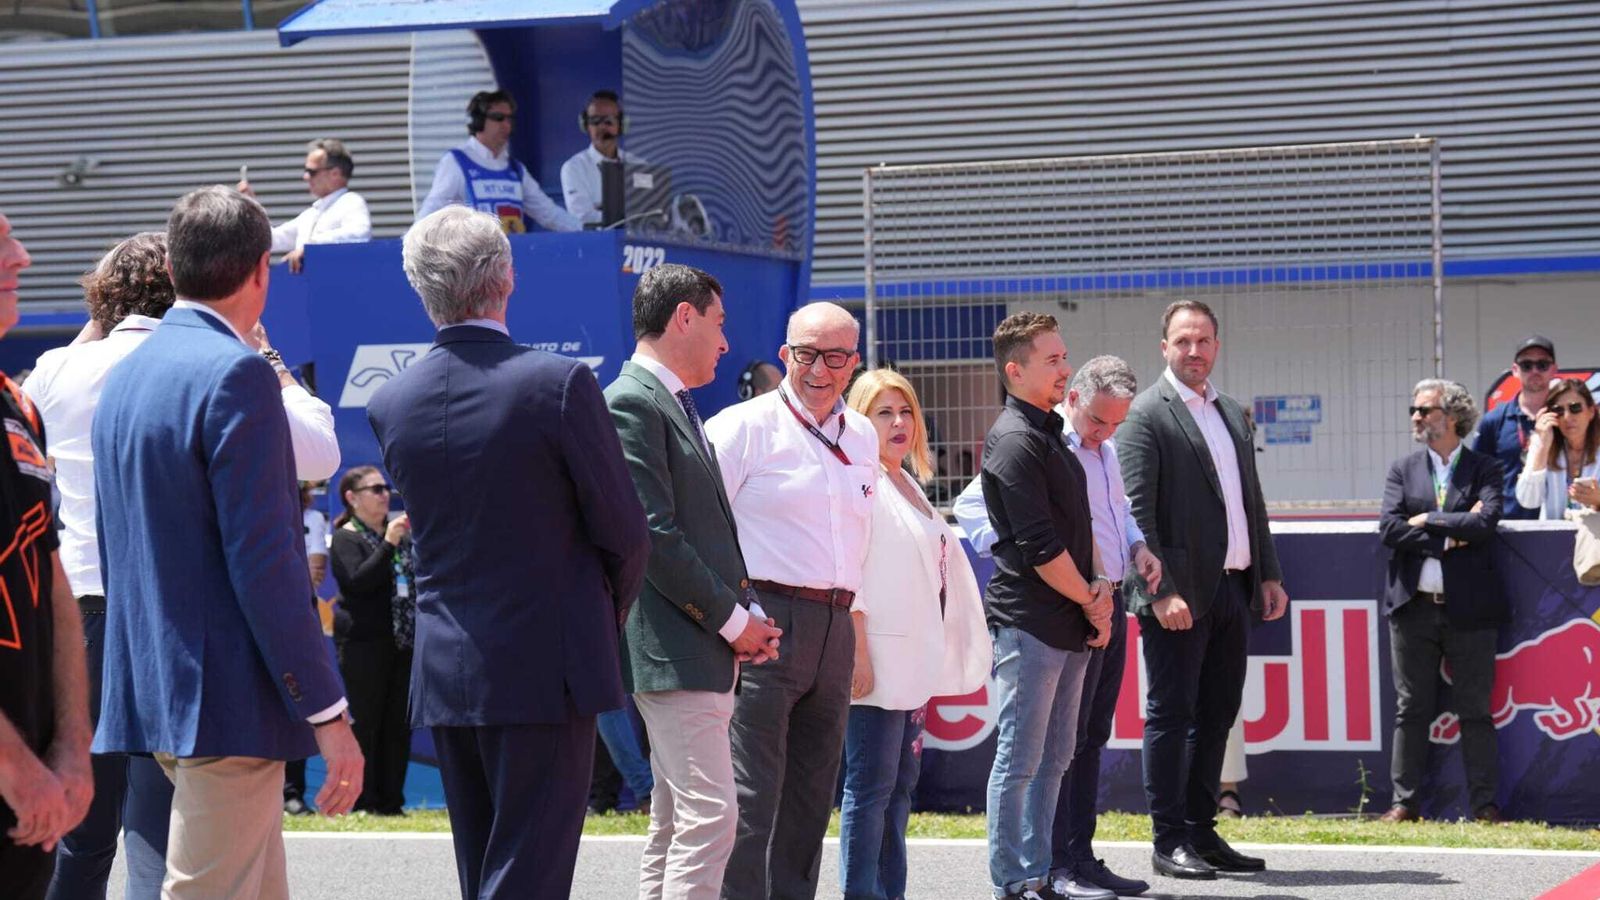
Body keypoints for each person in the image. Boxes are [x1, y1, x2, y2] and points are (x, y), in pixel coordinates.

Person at [366, 205, 649, 899]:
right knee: (529, 873)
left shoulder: (391, 400)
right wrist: (600, 614)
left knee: (486, 869)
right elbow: (625, 531)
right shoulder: (557, 384)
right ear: (507, 278)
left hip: (448, 664)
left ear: (421, 288)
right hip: (546, 663)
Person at [90, 187, 363, 899]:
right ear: (260, 273)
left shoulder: (124, 375)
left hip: (159, 687)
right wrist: (329, 713)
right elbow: (266, 564)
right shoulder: (238, 373)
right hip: (227, 701)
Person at [604, 263, 783, 899]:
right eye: (718, 323)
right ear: (684, 316)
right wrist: (736, 622)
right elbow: (653, 536)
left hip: (690, 645)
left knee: (678, 819)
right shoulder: (632, 400)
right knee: (710, 818)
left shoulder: (670, 402)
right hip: (675, 649)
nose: (726, 342)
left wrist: (748, 610)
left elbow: (705, 531)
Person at [954, 354, 1158, 899]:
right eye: (1098, 420)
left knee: (1082, 741)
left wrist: (1136, 546)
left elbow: (1117, 511)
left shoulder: (1104, 451)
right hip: (1058, 604)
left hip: (1105, 602)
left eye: (1117, 424)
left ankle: (1071, 858)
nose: (1105, 433)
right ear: (1072, 400)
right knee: (1033, 752)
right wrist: (1018, 555)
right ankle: (1043, 869)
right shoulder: (1043, 445)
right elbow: (973, 504)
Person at [705, 301, 878, 900]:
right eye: (806, 354)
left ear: (854, 363)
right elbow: (698, 534)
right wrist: (732, 619)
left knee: (811, 798)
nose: (819, 370)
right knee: (753, 799)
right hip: (763, 624)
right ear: (785, 355)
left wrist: (856, 634)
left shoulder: (862, 435)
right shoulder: (740, 427)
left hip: (835, 625)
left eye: (835, 357)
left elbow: (858, 544)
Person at [1118, 299, 1287, 881]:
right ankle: (1169, 841)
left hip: (1233, 591)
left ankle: (1202, 832)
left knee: (1217, 715)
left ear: (1217, 345)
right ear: (1164, 347)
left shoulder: (1230, 413)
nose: (1194, 351)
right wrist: (1158, 592)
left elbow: (1250, 503)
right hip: (1178, 596)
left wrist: (1267, 573)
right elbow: (1134, 513)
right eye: (1183, 341)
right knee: (1170, 714)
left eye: (1204, 340)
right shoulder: (1145, 415)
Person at [975, 313, 1113, 900]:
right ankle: (1013, 879)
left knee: (1056, 757)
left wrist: (1097, 594)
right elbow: (1040, 548)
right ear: (1016, 370)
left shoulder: (1051, 432)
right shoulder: (1013, 439)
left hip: (1071, 621)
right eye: (1053, 360)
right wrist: (1093, 600)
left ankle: (1041, 872)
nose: (1065, 368)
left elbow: (1079, 530)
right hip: (1031, 622)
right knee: (1020, 759)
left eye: (1064, 357)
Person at [839, 368, 990, 900]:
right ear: (858, 419)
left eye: (905, 412)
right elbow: (847, 571)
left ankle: (889, 891)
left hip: (912, 665)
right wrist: (858, 655)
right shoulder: (859, 479)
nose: (899, 422)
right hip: (876, 663)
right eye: (884, 412)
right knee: (870, 789)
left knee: (899, 789)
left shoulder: (908, 482)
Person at [0, 212, 93, 900]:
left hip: (24, 801)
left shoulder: (16, 406)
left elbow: (51, 582)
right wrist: (16, 764)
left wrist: (70, 749)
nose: (24, 258)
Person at [1377, 379, 1507, 823]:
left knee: (1474, 707)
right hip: (1413, 603)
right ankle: (1403, 803)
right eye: (1413, 409)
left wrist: (1431, 518)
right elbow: (1391, 529)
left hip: (1469, 607)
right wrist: (1450, 538)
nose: (1415, 416)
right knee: (1411, 707)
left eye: (1425, 409)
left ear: (1451, 417)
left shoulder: (1485, 468)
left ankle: (1484, 805)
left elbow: (1486, 522)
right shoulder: (1403, 469)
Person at [328, 466, 416, 817]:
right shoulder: (346, 537)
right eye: (375, 489)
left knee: (398, 723)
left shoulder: (401, 537)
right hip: (364, 644)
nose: (384, 495)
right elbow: (358, 583)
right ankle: (363, 800)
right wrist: (388, 543)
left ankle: (391, 801)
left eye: (386, 489)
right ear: (352, 497)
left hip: (401, 642)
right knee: (367, 721)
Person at [416, 90, 583, 234]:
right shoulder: (456, 161)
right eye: (498, 118)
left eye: (509, 119)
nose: (506, 125)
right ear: (479, 121)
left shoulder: (515, 169)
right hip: (474, 262)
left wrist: (590, 232)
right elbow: (433, 209)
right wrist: (409, 245)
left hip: (511, 259)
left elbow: (548, 213)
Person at [238, 138, 372, 273]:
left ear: (335, 174)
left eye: (312, 171)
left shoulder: (351, 202)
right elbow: (272, 239)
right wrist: (252, 207)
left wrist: (310, 246)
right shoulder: (311, 215)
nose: (306, 177)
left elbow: (359, 234)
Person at [1472, 335, 1558, 520]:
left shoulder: (1566, 416)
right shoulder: (1494, 420)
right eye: (1527, 365)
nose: (1534, 370)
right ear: (1515, 370)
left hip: (1558, 522)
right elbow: (1478, 474)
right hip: (1508, 525)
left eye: (1542, 365)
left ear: (1554, 369)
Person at [1515, 378, 1600, 518]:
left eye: (1575, 408)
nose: (1567, 417)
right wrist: (1543, 447)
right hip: (1554, 537)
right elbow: (1527, 501)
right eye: (1558, 410)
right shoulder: (1541, 444)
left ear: (1591, 412)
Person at [561, 90, 637, 226]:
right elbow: (582, 216)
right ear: (586, 125)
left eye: (609, 121)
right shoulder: (574, 167)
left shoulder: (637, 164)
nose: (602, 127)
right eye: (595, 121)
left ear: (621, 125)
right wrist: (631, 219)